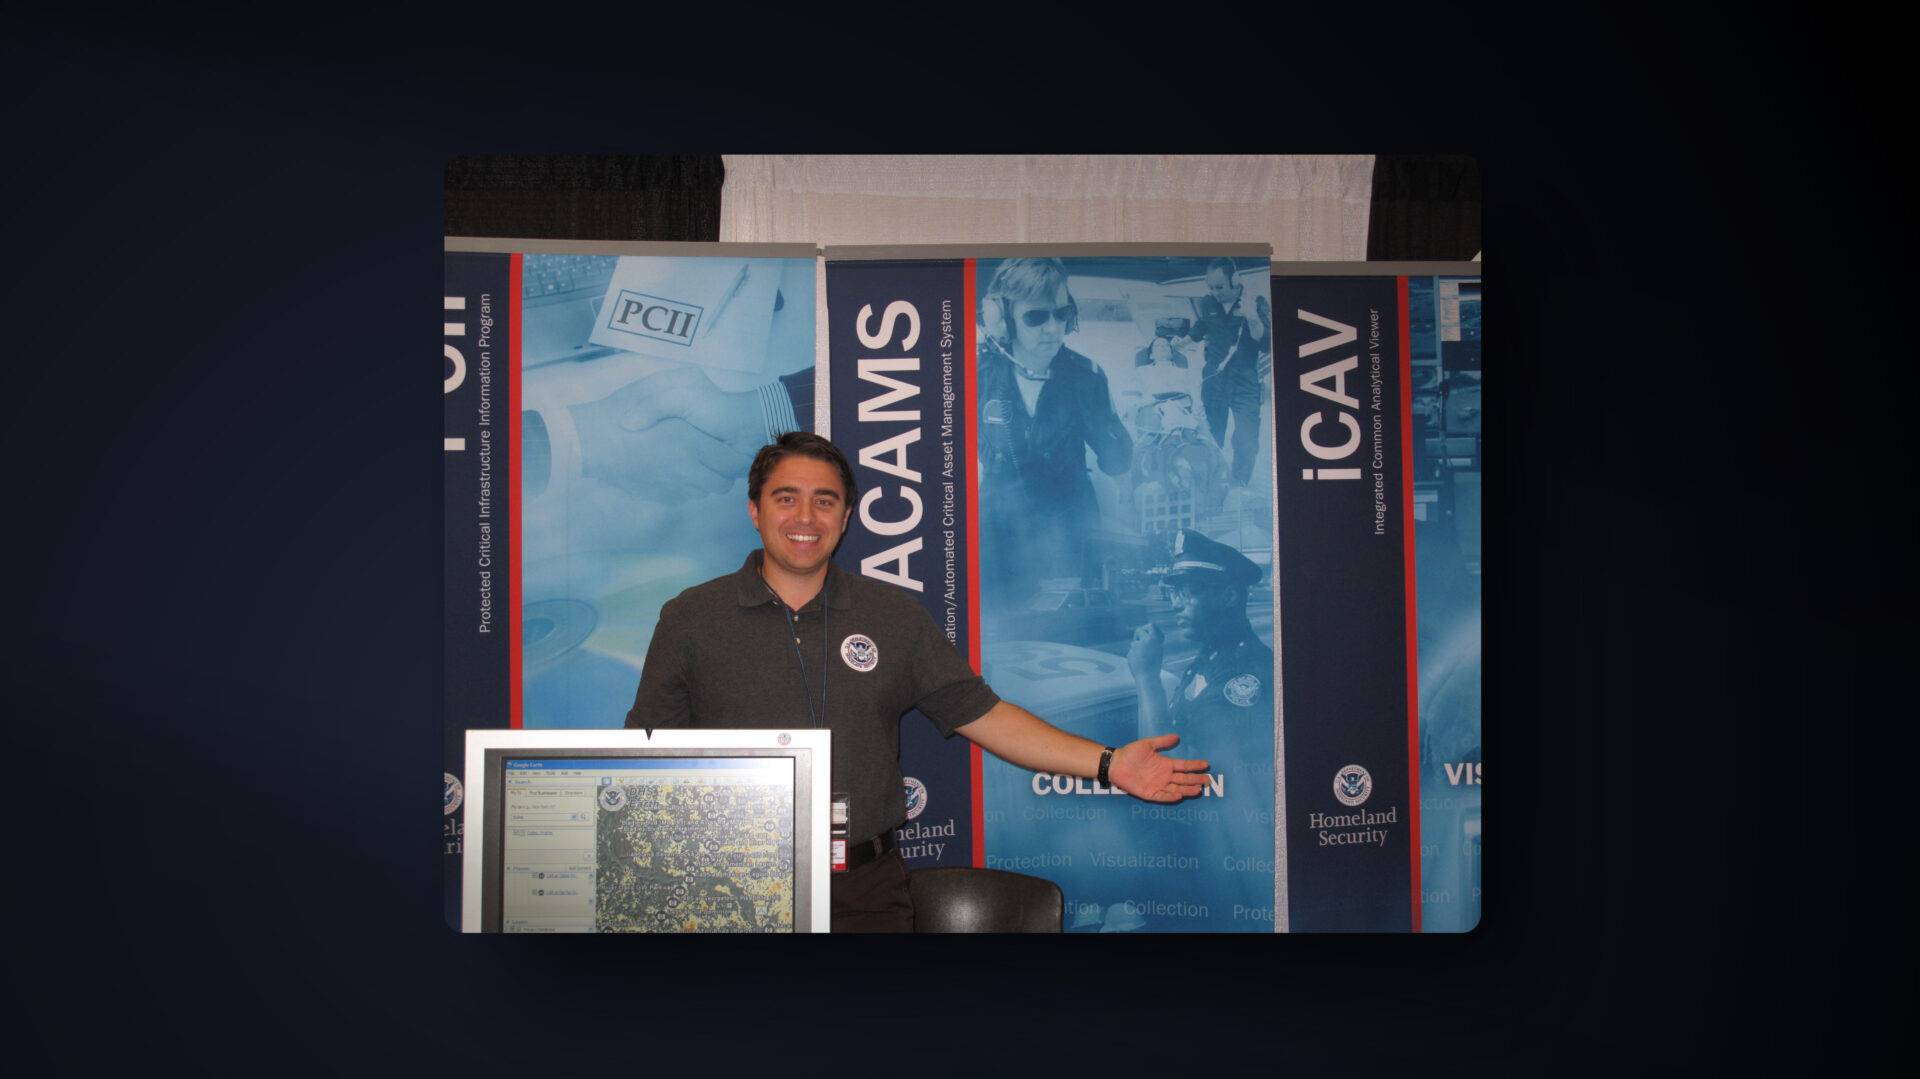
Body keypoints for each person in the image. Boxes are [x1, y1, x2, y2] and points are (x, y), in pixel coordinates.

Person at [627, 432, 1211, 931]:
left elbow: (985, 714)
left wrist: (1111, 764)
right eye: (786, 499)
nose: (805, 519)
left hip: (865, 892)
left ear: (846, 517)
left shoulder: (891, 615)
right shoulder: (690, 618)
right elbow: (647, 762)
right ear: (754, 510)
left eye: (824, 501)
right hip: (728, 888)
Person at [975, 258, 1132, 602]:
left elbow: (1117, 462)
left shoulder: (1086, 376)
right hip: (999, 529)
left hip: (1069, 528)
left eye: (1062, 314)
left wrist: (1101, 410)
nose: (1053, 328)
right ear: (1002, 320)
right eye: (1036, 317)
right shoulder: (978, 374)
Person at [1125, 528, 1273, 775]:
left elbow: (1172, 773)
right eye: (1174, 592)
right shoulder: (1212, 656)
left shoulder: (1245, 677)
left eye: (1188, 591)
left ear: (1228, 596)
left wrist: (1147, 679)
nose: (1175, 604)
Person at [1190, 259, 1272, 488]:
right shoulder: (1207, 302)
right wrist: (1185, 340)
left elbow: (1266, 344)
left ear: (1234, 280)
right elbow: (1202, 325)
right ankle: (1208, 486)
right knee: (1210, 438)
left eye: (1220, 287)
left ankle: (1239, 485)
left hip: (1245, 381)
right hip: (1214, 380)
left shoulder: (1256, 302)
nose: (1215, 293)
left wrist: (1252, 317)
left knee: (1246, 441)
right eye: (1211, 287)